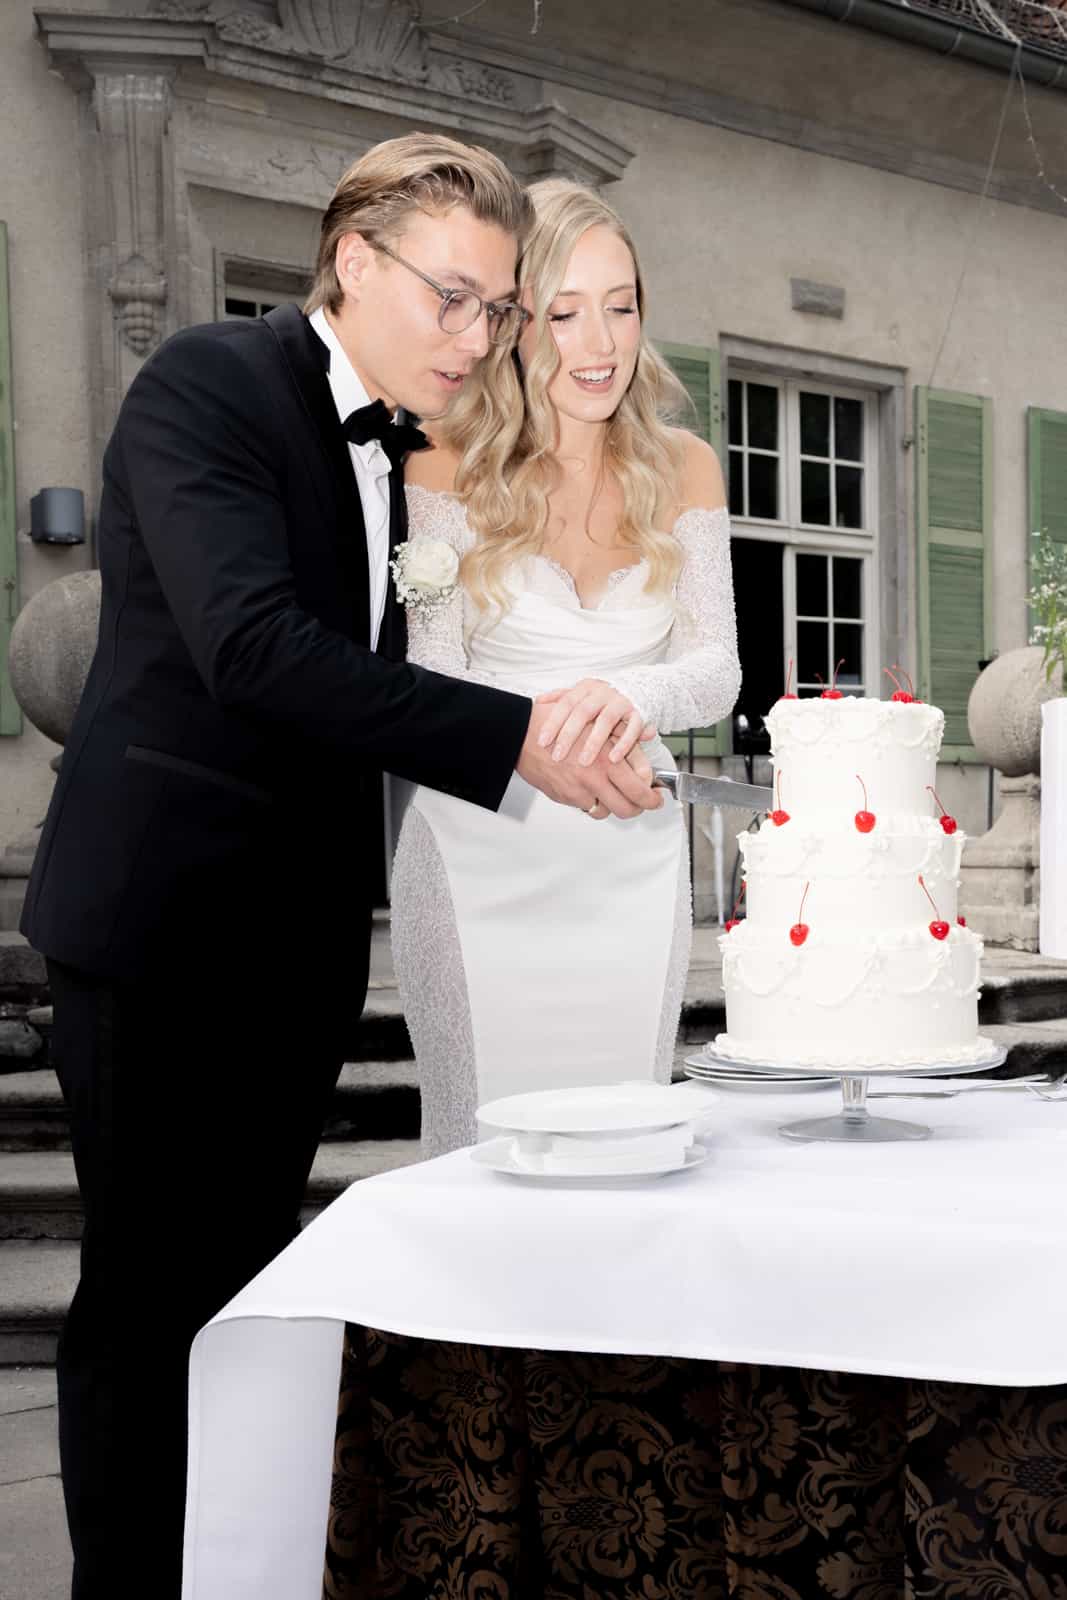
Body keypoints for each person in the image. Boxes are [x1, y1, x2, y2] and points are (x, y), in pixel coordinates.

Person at [20, 136, 662, 1600]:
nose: (477, 338)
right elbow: (252, 653)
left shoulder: (405, 447)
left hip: (300, 939)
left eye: (498, 311)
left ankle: (234, 1569)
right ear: (353, 262)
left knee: (250, 1282)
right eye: (454, 298)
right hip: (158, 928)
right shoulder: (205, 385)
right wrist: (518, 743)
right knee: (144, 1302)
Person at [391, 178, 741, 1155]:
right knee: (478, 1148)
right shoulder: (439, 461)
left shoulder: (685, 467)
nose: (599, 344)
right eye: (564, 312)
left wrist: (623, 693)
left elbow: (715, 668)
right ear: (515, 324)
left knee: (624, 1140)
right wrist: (539, 727)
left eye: (621, 307)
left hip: (629, 859)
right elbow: (430, 674)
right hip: (478, 852)